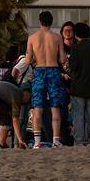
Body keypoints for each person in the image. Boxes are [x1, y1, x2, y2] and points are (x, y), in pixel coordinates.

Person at [25, 11, 68, 148]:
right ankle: (56, 140)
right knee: (55, 107)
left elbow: (27, 60)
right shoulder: (57, 37)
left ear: (40, 21)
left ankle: (37, 142)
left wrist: (36, 58)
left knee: (37, 108)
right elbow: (62, 59)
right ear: (51, 21)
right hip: (54, 71)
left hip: (39, 71)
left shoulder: (32, 38)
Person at [65, 22, 90, 146]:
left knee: (78, 115)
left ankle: (79, 140)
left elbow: (73, 67)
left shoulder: (75, 48)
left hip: (78, 87)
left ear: (76, 34)